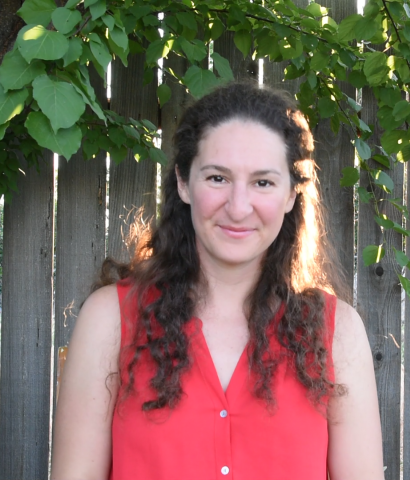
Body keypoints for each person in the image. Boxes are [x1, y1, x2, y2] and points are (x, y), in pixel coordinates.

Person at [52, 82, 384, 480]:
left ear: (291, 195)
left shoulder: (337, 333)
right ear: (183, 182)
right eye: (217, 178)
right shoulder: (110, 319)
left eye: (263, 182)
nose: (239, 207)